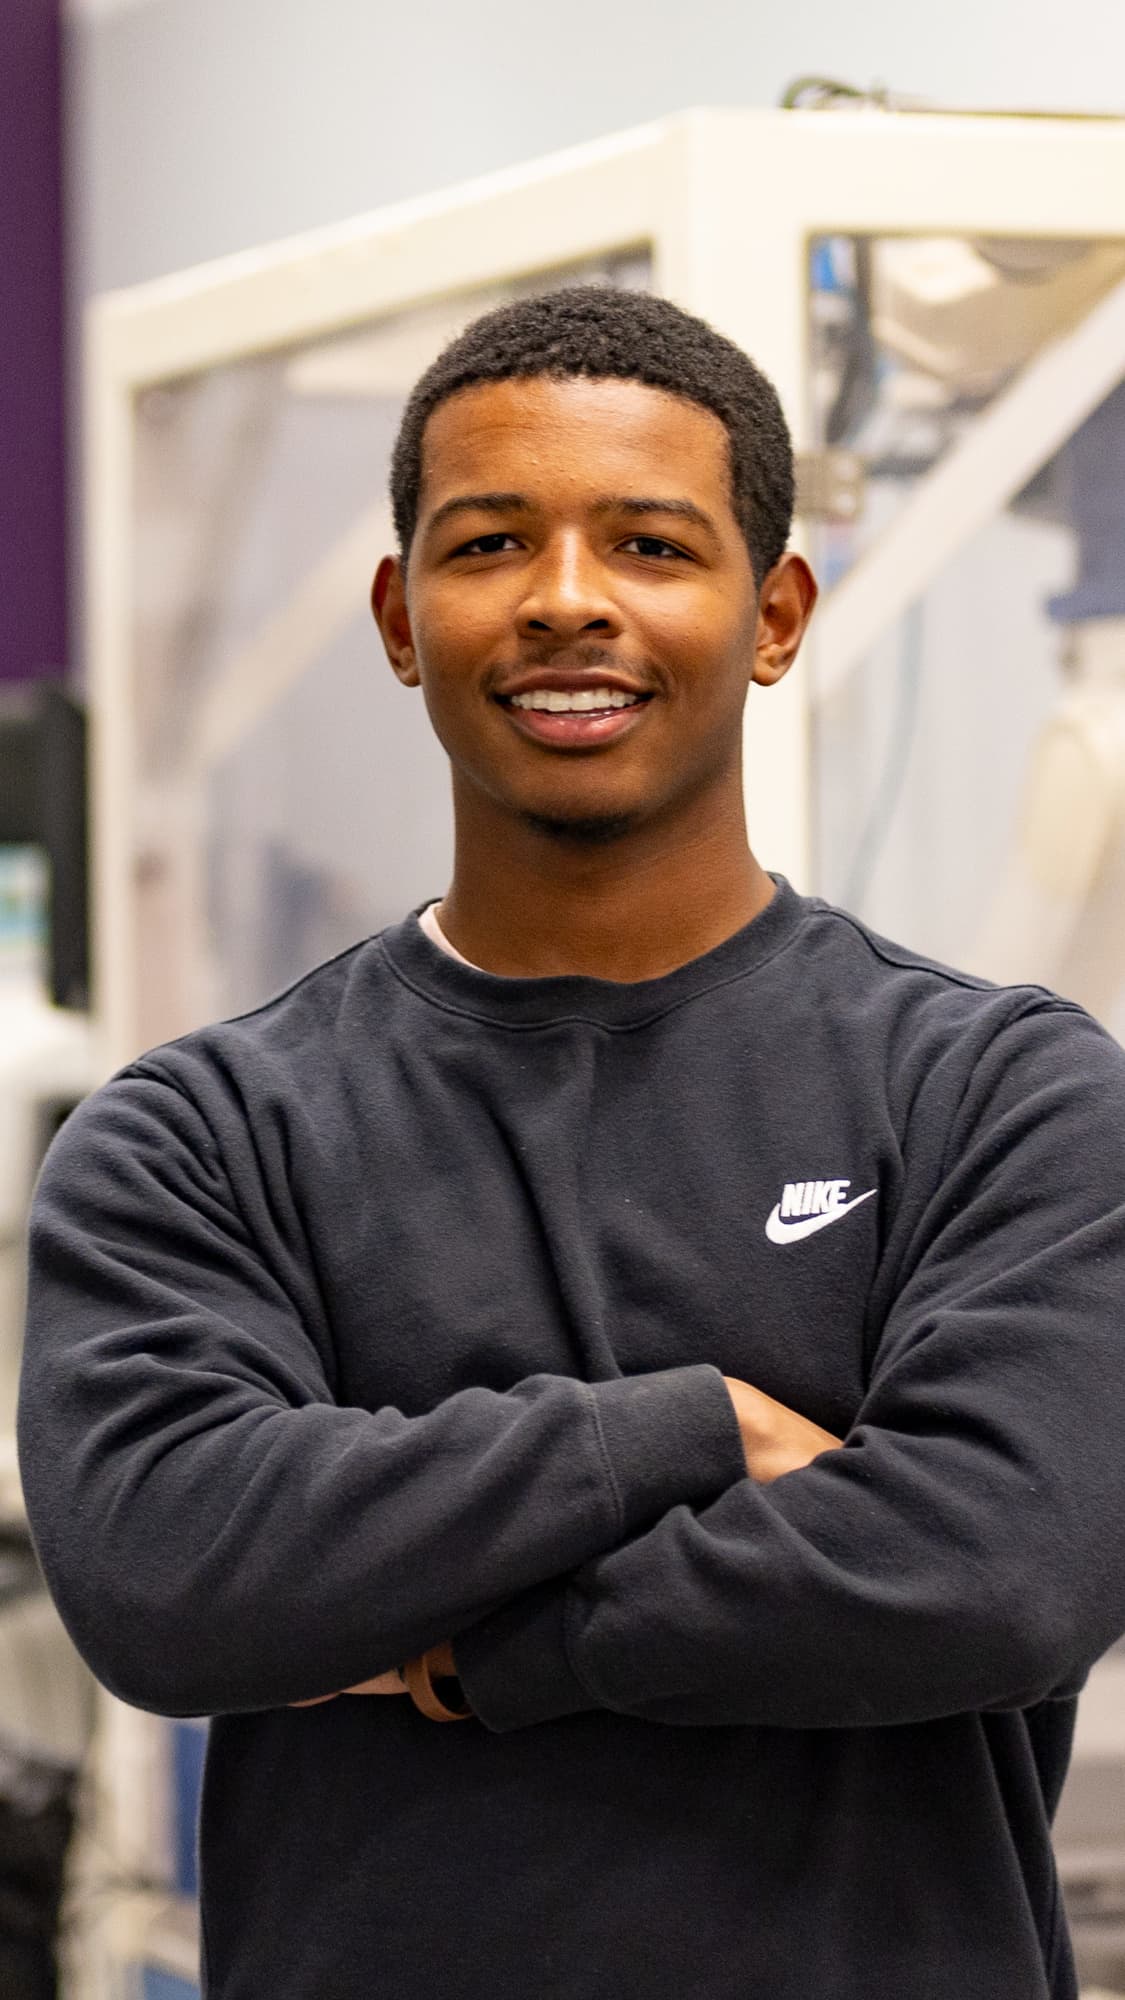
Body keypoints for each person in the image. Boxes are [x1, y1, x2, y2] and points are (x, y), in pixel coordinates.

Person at [17, 284, 1125, 2000]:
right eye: (487, 546)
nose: (563, 602)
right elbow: (170, 1571)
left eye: (648, 545)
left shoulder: (995, 1092)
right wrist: (682, 1429)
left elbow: (1002, 1567)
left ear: (773, 613)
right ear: (400, 616)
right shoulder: (202, 1134)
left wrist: (484, 1652)